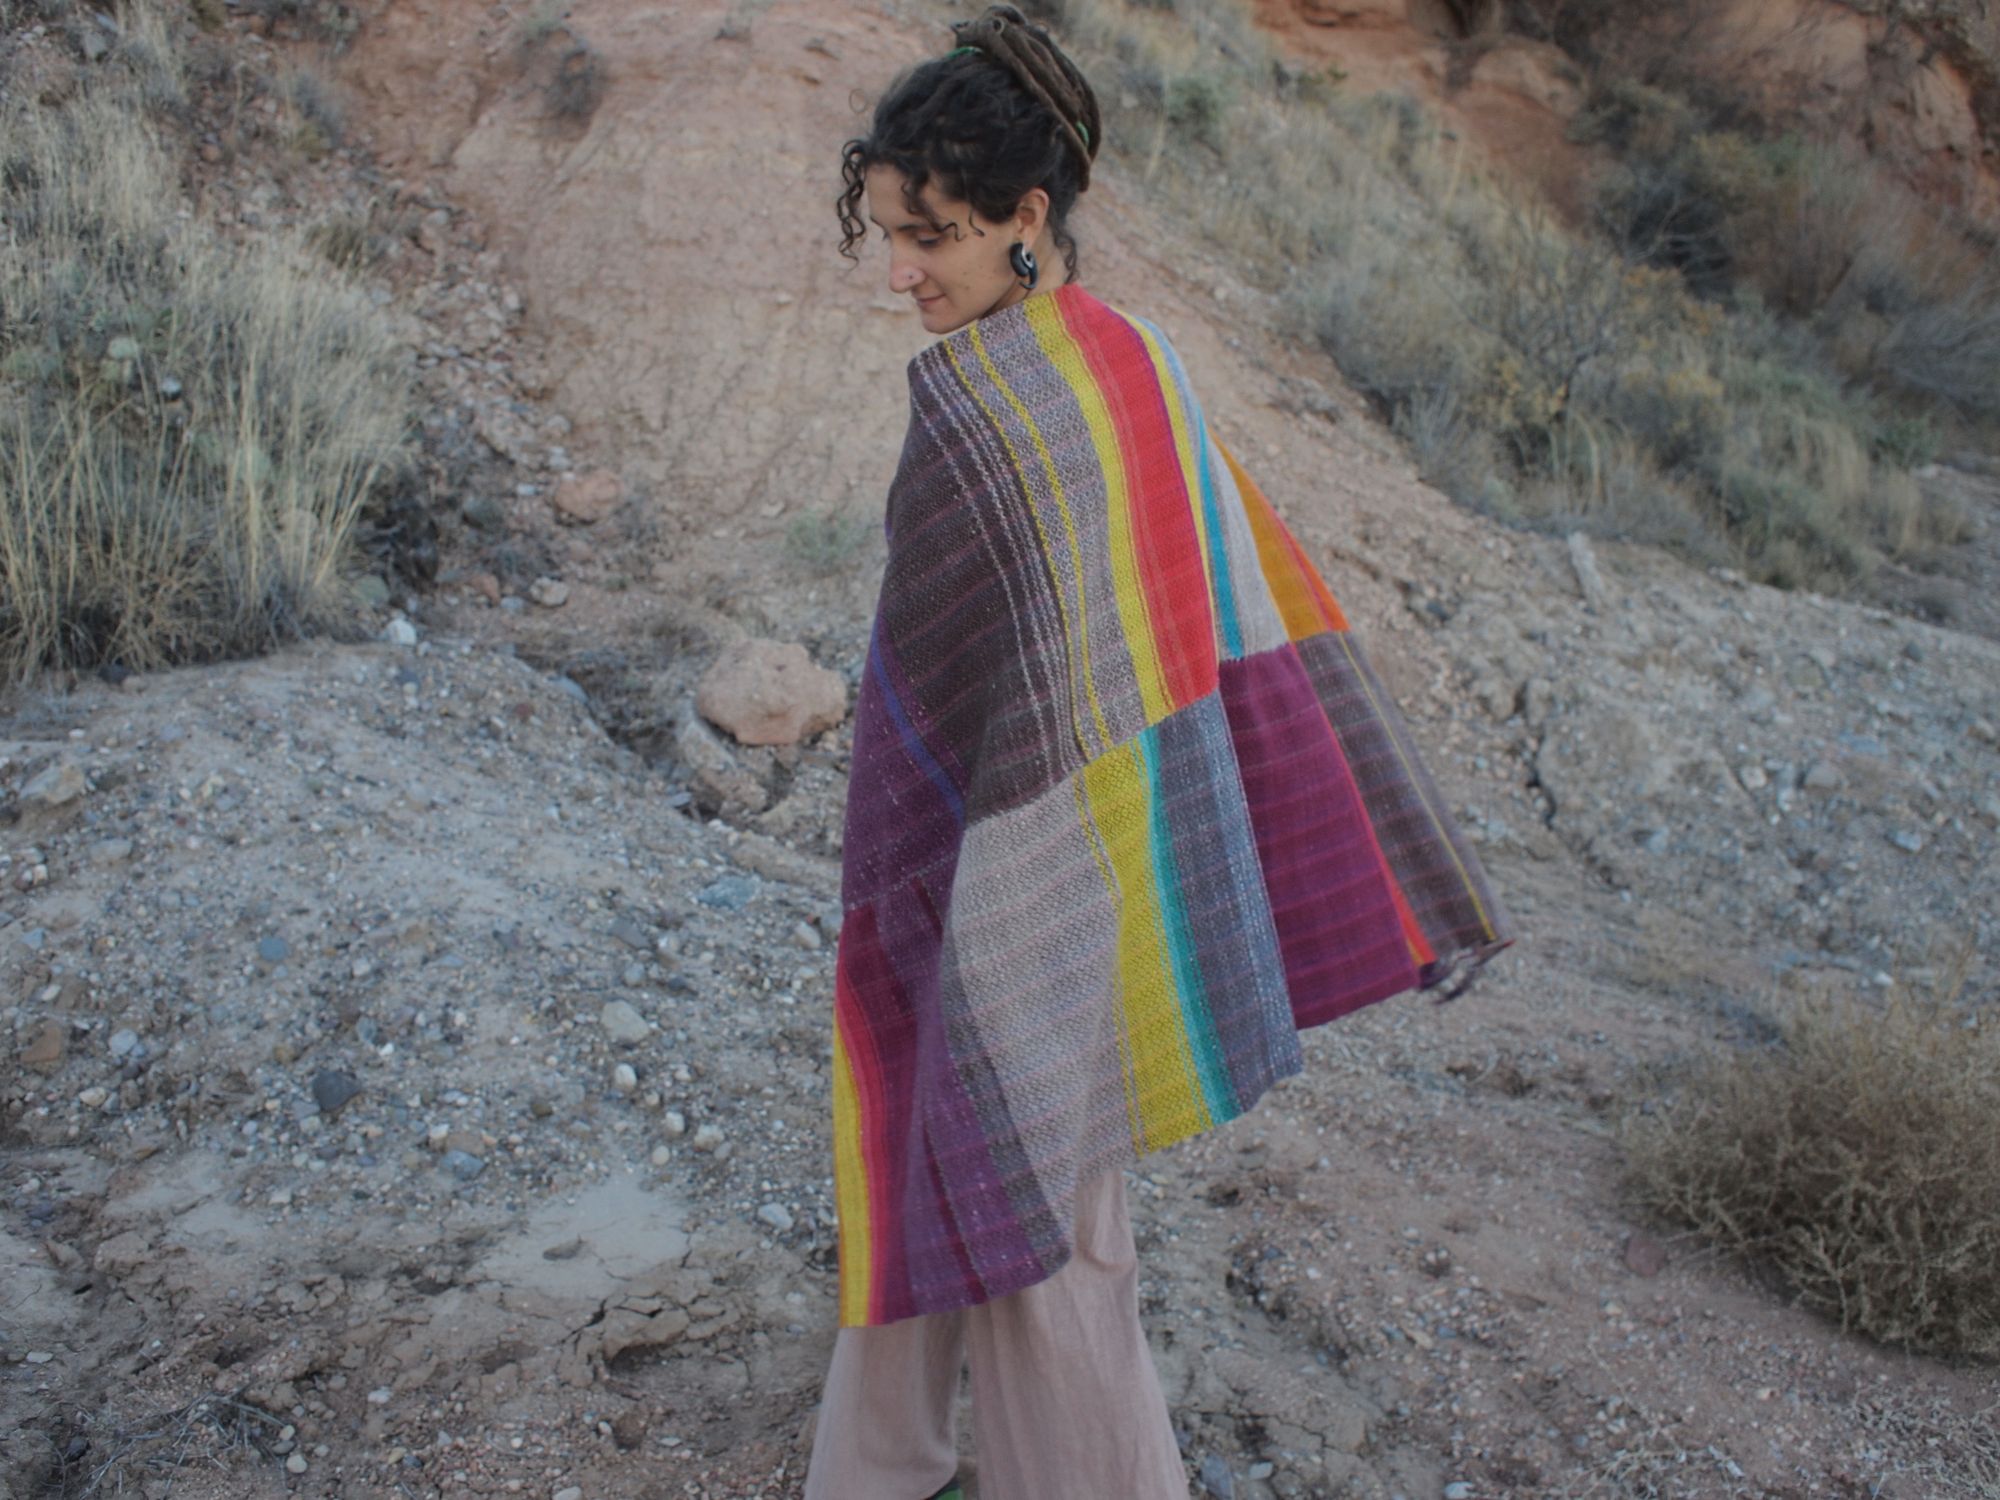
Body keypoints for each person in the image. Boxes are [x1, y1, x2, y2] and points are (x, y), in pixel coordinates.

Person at [805, 8, 1515, 1497]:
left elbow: (1218, 619)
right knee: (935, 1126)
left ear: (1026, 217)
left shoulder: (1004, 406)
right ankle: (876, 1459)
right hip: (1066, 834)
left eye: (926, 234)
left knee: (1042, 1212)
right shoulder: (1125, 357)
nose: (900, 269)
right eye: (885, 232)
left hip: (1044, 862)